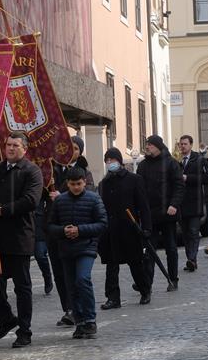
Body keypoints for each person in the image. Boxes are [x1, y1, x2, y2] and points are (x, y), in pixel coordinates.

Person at [0, 132, 43, 348]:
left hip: (18, 236)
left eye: (15, 145)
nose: (10, 148)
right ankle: (6, 317)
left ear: (24, 148)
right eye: (8, 145)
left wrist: (3, 210)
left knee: (22, 286)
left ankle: (25, 331)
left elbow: (31, 200)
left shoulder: (32, 171)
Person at [47, 167, 107, 339]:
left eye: (79, 184)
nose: (76, 187)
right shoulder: (60, 201)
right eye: (72, 184)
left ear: (84, 182)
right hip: (66, 249)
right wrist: (62, 231)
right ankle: (79, 321)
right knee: (71, 286)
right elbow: (50, 225)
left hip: (86, 247)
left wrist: (80, 230)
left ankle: (90, 319)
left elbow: (102, 223)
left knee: (83, 279)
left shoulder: (94, 199)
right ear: (67, 184)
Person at [47, 135, 94, 327]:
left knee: (79, 277)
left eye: (74, 147)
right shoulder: (51, 168)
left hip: (78, 232)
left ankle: (82, 312)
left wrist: (63, 195)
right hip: (57, 228)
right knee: (60, 273)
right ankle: (68, 309)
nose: (70, 150)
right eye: (67, 146)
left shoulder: (84, 171)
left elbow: (89, 195)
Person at [99, 148, 153, 308]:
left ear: (119, 161)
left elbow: (144, 206)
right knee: (111, 265)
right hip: (111, 230)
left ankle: (145, 290)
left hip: (130, 228)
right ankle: (113, 297)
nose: (109, 163)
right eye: (107, 161)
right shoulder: (104, 183)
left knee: (135, 263)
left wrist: (147, 228)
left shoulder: (134, 180)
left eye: (112, 160)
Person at [136, 135, 184, 291]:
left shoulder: (171, 164)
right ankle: (146, 283)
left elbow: (179, 187)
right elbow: (139, 189)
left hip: (168, 213)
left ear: (158, 146)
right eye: (147, 145)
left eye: (150, 145)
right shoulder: (143, 165)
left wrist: (174, 204)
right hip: (150, 214)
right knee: (149, 250)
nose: (147, 147)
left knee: (170, 248)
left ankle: (173, 279)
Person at [178, 135, 207, 272]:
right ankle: (190, 259)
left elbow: (206, 178)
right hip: (181, 203)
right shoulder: (177, 161)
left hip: (195, 201)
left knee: (194, 231)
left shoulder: (199, 159)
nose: (182, 146)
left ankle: (192, 259)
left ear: (191, 145)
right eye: (181, 144)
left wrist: (187, 178)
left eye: (185, 144)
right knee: (185, 234)